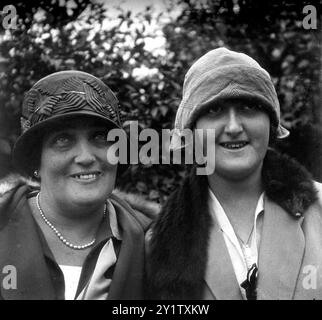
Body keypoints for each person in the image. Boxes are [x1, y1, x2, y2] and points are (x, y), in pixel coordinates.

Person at [146, 47, 322, 300]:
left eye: (249, 107)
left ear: (271, 122)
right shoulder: (159, 244)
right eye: (214, 110)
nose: (233, 127)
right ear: (192, 131)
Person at [0, 70, 158, 300]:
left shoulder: (154, 244)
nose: (85, 157)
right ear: (37, 160)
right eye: (63, 140)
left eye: (99, 138)